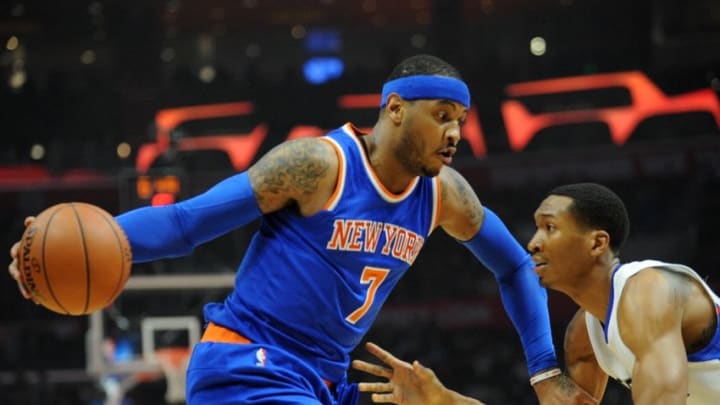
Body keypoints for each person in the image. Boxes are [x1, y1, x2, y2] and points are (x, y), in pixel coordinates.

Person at [7, 54, 588, 405]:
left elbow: (514, 265)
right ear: (393, 110)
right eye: (441, 116)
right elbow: (187, 223)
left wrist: (543, 371)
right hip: (249, 364)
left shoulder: (444, 195)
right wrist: (68, 245)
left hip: (320, 382)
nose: (455, 133)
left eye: (460, 120)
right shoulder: (318, 165)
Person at [352, 182, 720, 405]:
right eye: (535, 229)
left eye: (550, 228)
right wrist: (445, 400)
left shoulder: (648, 292)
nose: (533, 243)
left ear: (597, 243)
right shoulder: (583, 338)